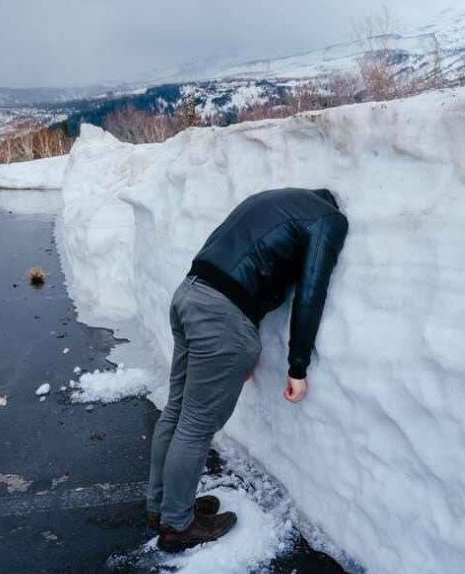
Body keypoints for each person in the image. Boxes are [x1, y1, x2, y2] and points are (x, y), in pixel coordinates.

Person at [146, 187, 349, 552]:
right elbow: (311, 291)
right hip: (220, 316)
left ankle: (163, 506)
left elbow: (243, 258)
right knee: (195, 424)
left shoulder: (273, 200)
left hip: (188, 294)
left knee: (177, 410)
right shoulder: (327, 220)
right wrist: (297, 365)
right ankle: (177, 524)